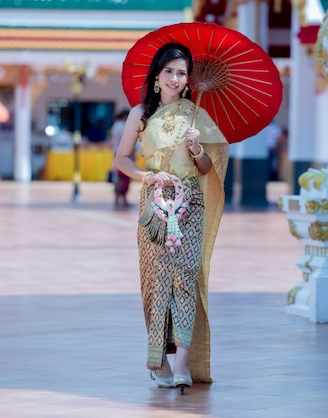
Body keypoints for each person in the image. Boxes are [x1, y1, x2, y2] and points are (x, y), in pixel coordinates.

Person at [115, 43, 229, 392]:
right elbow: (122, 159)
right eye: (169, 71)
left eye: (182, 73)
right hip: (154, 205)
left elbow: (208, 168)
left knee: (186, 276)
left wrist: (197, 149)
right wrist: (146, 177)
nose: (176, 79)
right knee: (155, 279)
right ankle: (158, 359)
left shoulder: (197, 116)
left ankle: (182, 359)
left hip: (191, 203)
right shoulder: (140, 114)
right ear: (157, 75)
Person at [111, 109, 131, 208]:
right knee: (124, 178)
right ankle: (122, 199)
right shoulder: (122, 126)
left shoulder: (115, 125)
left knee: (119, 178)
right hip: (124, 154)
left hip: (117, 153)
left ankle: (118, 199)